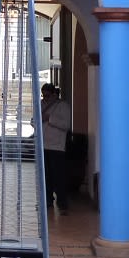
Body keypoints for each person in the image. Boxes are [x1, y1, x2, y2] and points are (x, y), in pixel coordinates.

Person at [40, 83, 71, 215]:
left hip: (57, 146)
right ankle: (47, 200)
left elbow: (66, 125)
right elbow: (34, 120)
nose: (45, 98)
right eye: (43, 95)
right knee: (45, 176)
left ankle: (62, 203)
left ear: (54, 94)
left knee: (58, 176)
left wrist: (50, 118)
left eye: (47, 95)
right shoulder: (41, 104)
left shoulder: (63, 106)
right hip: (43, 145)